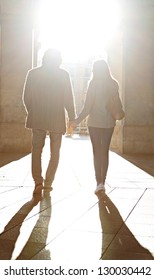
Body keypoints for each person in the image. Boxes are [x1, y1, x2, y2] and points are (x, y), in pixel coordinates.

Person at [23, 48, 76, 195]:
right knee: (55, 152)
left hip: (38, 116)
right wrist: (72, 117)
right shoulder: (63, 75)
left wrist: (32, 111)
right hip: (56, 118)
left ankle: (37, 182)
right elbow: (68, 99)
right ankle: (48, 182)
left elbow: (26, 97)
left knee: (36, 150)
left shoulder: (33, 74)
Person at [70, 59, 120, 195]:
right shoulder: (114, 84)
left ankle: (98, 183)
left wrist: (76, 121)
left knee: (97, 152)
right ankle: (103, 181)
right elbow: (117, 104)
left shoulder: (93, 84)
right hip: (109, 123)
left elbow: (87, 108)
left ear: (95, 70)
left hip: (94, 124)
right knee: (105, 152)